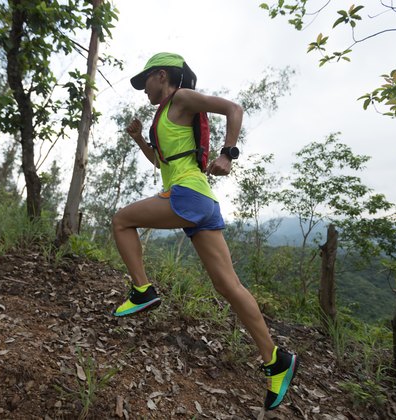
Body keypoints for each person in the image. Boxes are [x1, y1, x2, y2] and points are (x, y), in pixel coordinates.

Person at [111, 52, 297, 411]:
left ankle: (142, 289)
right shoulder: (166, 115)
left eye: (145, 81)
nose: (143, 89)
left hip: (189, 196)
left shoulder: (180, 98)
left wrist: (228, 154)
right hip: (200, 200)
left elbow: (233, 108)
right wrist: (139, 139)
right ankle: (276, 360)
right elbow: (162, 162)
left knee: (121, 220)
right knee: (229, 286)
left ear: (162, 75)